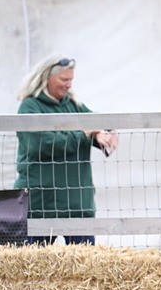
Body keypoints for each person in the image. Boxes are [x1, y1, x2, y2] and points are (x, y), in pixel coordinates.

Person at [14, 55, 119, 244]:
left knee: (84, 262)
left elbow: (95, 122)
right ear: (46, 77)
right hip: (41, 205)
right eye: (64, 79)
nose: (68, 85)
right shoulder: (30, 107)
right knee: (34, 260)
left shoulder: (73, 105)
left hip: (77, 205)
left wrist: (105, 133)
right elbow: (42, 144)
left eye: (71, 80)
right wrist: (84, 133)